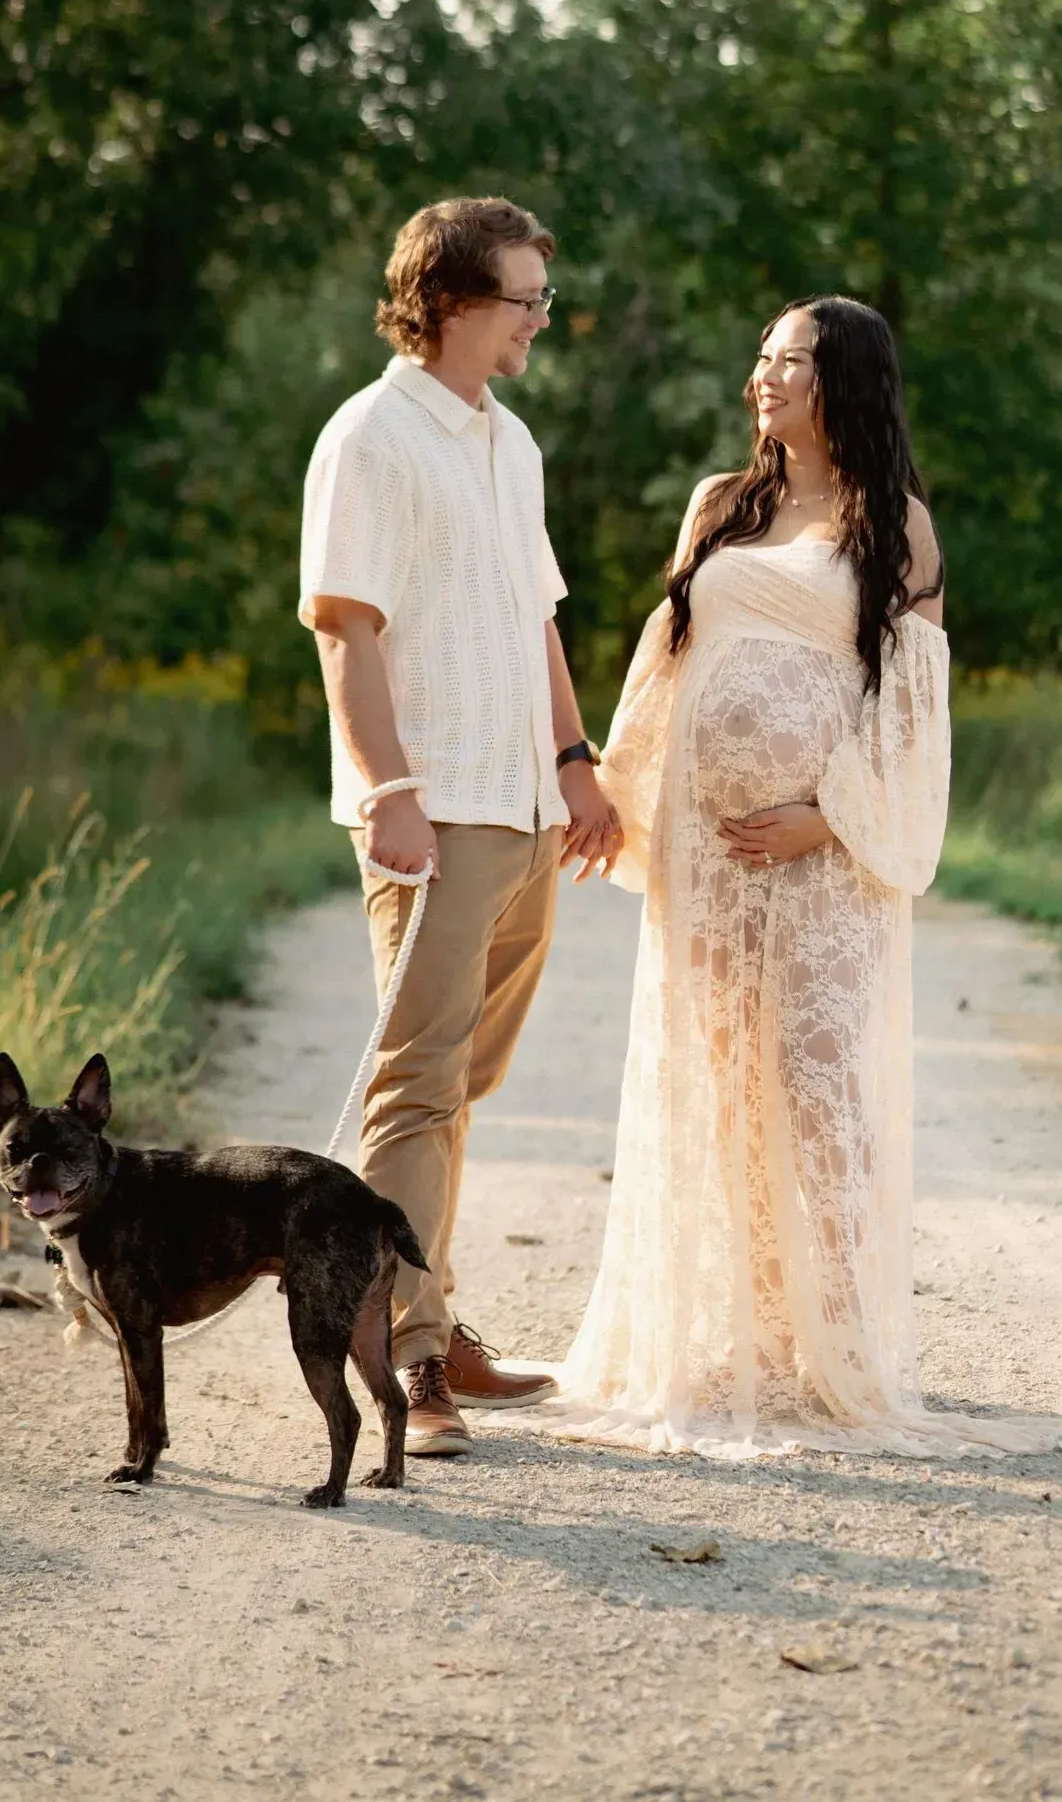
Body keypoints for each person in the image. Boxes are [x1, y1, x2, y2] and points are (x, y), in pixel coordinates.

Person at [555, 295, 1046, 1459]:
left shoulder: (899, 528)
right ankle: (733, 1343)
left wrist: (823, 822)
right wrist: (612, 800)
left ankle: (836, 1345)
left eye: (791, 360)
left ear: (849, 383)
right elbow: (664, 672)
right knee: (715, 1087)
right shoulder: (719, 508)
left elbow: (912, 719)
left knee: (823, 1093)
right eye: (761, 355)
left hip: (827, 859)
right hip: (705, 862)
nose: (763, 378)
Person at [299, 196, 621, 1458]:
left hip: (528, 804)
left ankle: (428, 1312)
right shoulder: (371, 437)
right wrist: (387, 789)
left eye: (543, 297)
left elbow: (538, 615)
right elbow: (344, 623)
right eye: (524, 300)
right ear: (448, 302)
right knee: (418, 1084)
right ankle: (406, 1361)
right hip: (437, 809)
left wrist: (577, 761)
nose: (541, 319)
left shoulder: (512, 440)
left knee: (461, 1088)